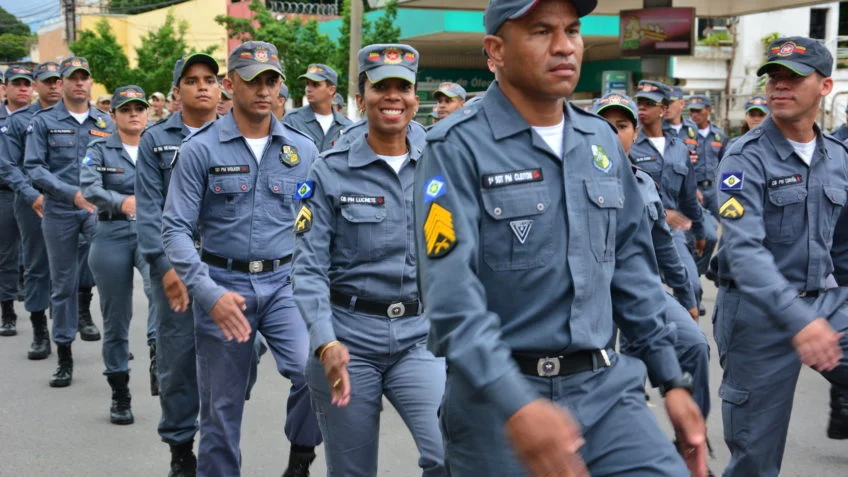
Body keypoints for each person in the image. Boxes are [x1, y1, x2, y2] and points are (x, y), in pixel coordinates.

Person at [413, 0, 708, 475]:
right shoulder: (454, 147)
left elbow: (631, 264)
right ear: (496, 49)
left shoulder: (599, 140)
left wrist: (670, 379)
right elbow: (450, 297)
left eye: (572, 30)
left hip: (607, 393)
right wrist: (517, 406)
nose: (564, 46)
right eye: (540, 31)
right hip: (499, 401)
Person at [162, 41, 322, 477]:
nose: (264, 90)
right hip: (222, 283)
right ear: (231, 85)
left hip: (285, 284)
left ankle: (301, 456)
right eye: (253, 81)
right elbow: (175, 229)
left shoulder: (303, 151)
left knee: (314, 372)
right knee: (221, 409)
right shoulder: (200, 149)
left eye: (272, 81)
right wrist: (207, 292)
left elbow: (317, 227)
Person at [292, 43, 446, 477]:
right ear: (361, 99)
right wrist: (324, 341)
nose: (392, 96)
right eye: (381, 88)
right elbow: (308, 267)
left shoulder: (441, 162)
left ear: (416, 98)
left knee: (449, 454)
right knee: (353, 471)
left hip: (419, 339)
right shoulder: (329, 169)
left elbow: (454, 252)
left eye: (403, 87)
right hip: (349, 341)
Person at [713, 36, 848, 476]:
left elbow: (843, 246)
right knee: (755, 458)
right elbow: (745, 251)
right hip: (757, 315)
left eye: (793, 77)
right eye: (773, 77)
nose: (779, 86)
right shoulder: (744, 157)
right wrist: (800, 321)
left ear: (825, 86)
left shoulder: (839, 158)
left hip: (825, 301)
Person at [593, 91, 712, 434]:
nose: (614, 134)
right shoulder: (570, 179)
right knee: (600, 370)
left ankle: (692, 436)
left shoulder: (644, 184)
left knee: (694, 345)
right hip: (591, 294)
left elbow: (663, 245)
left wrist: (687, 296)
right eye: (605, 125)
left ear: (635, 131)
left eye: (622, 126)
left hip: (641, 289)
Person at [136, 52, 221, 476]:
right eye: (192, 80)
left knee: (238, 361)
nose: (202, 86)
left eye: (210, 79)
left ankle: (219, 432)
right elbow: (150, 210)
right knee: (179, 361)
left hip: (226, 265)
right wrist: (169, 269)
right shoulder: (156, 139)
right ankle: (182, 447)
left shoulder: (235, 134)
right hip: (174, 266)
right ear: (177, 91)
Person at [25, 56, 114, 387]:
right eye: (72, 78)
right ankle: (64, 355)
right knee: (62, 284)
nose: (79, 83)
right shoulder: (45, 121)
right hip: (61, 210)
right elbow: (34, 167)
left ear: (91, 83)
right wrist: (71, 193)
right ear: (60, 84)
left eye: (84, 77)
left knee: (108, 279)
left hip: (98, 211)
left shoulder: (106, 122)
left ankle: (114, 348)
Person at [80, 85, 157, 425]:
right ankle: (119, 390)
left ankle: (160, 359)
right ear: (113, 116)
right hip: (111, 232)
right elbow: (90, 187)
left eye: (139, 108)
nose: (134, 114)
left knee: (163, 297)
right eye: (126, 110)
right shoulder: (99, 149)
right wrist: (120, 201)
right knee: (116, 318)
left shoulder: (159, 148)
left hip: (151, 232)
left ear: (147, 113)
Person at [0, 62, 62, 358]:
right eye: (46, 81)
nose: (53, 86)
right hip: (29, 200)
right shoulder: (19, 121)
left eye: (57, 80)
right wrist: (31, 195)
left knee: (77, 267)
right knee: (34, 265)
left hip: (70, 201)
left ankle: (76, 324)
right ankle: (38, 330)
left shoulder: (79, 117)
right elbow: (9, 165)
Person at [631, 81, 706, 312]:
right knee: (640, 300)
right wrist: (663, 212)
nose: (642, 108)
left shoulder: (679, 148)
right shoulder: (629, 145)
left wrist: (700, 232)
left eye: (649, 104)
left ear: (663, 109)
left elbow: (689, 198)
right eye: (640, 103)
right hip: (638, 232)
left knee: (692, 288)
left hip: (672, 233)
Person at [0, 65, 34, 336]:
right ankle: (7, 311)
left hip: (32, 192)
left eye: (27, 84)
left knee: (38, 254)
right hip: (4, 192)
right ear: (5, 88)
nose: (23, 88)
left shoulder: (39, 117)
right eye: (17, 84)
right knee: (6, 254)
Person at [284, 63, 351, 151]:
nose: (308, 89)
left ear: (331, 90)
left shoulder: (346, 127)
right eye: (307, 84)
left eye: (315, 84)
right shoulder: (292, 121)